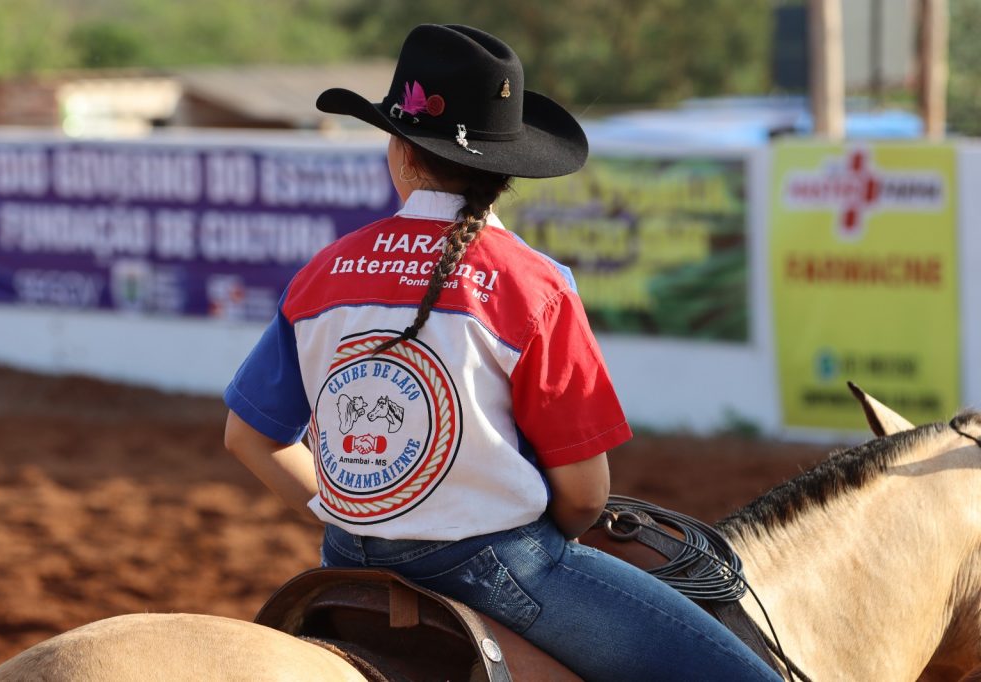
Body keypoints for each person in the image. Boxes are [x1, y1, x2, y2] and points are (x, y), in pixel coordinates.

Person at [223, 23, 781, 682]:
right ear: (507, 169)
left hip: (346, 566)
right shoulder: (535, 284)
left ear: (400, 154)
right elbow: (584, 495)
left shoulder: (324, 272)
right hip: (496, 568)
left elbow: (248, 438)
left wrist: (354, 512)